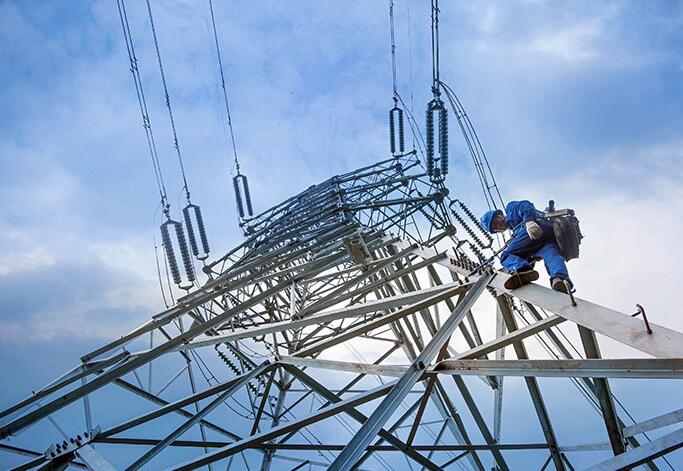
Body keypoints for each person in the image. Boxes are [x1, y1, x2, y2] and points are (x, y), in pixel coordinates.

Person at [480, 200, 573, 292]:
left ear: (499, 215)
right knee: (552, 256)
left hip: (534, 230)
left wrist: (529, 222)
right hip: (546, 238)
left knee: (506, 256)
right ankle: (560, 280)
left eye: (495, 223)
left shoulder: (510, 210)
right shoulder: (515, 231)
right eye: (495, 230)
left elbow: (525, 205)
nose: (498, 228)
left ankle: (523, 270)